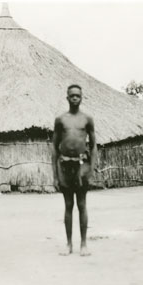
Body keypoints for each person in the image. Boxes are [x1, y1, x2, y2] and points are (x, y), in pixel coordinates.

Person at [52, 84, 97, 256]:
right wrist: (55, 174)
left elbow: (93, 146)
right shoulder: (60, 120)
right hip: (64, 166)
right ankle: (69, 244)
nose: (75, 98)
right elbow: (54, 147)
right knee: (68, 205)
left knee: (82, 204)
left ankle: (84, 244)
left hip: (82, 167)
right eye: (72, 95)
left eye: (78, 95)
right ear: (67, 98)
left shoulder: (87, 119)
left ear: (81, 97)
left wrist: (91, 169)